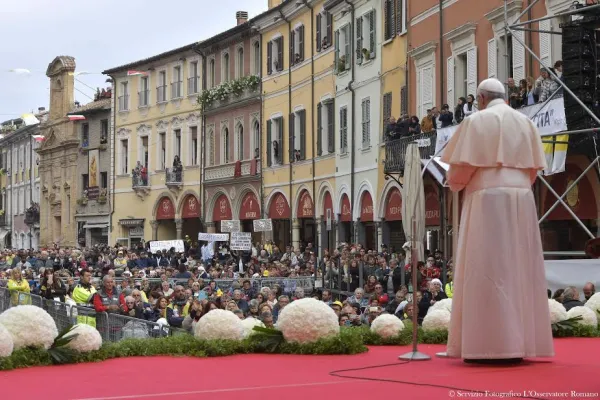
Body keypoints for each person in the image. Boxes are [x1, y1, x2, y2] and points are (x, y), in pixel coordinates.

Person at [440, 78, 553, 364]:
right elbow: (533, 170)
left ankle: (488, 345)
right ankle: (523, 343)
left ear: (480, 98)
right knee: (519, 267)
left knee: (487, 266)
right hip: (523, 198)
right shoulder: (526, 123)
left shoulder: (477, 121)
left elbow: (459, 170)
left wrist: (454, 184)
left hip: (487, 197)